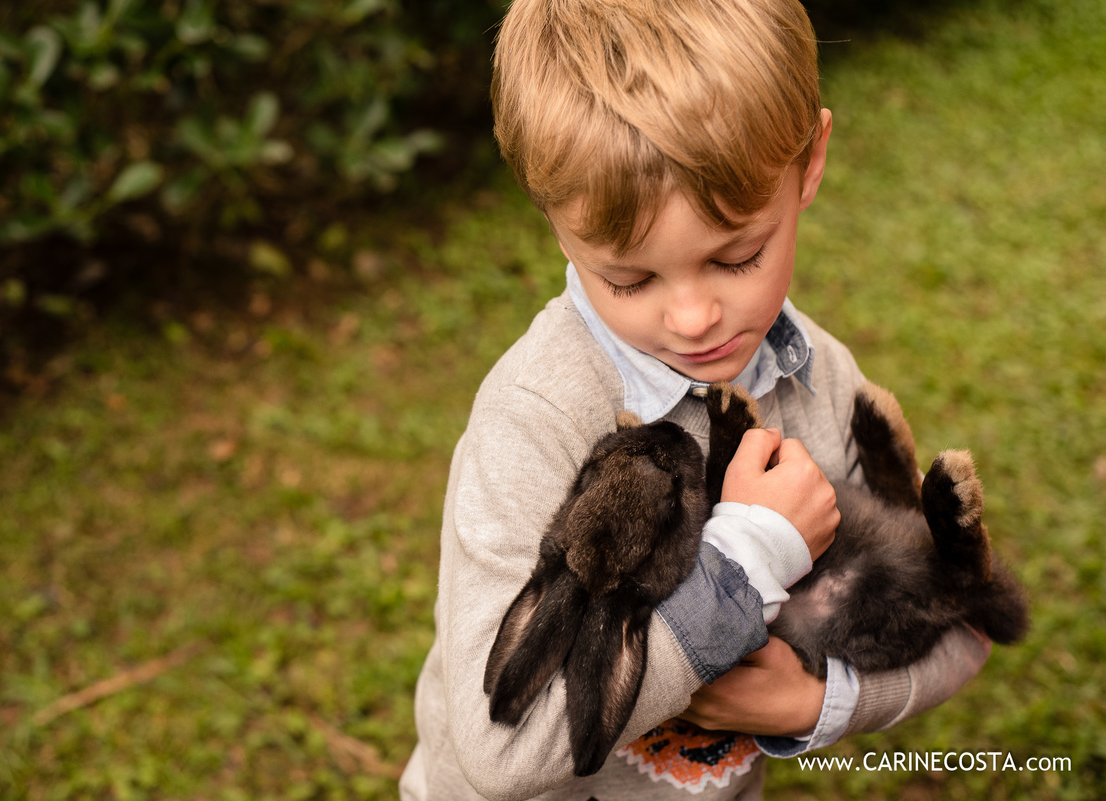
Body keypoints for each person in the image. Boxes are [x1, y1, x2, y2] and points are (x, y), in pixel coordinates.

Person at [400, 0, 991, 798]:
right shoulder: (536, 416)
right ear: (552, 218)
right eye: (630, 277)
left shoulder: (813, 376)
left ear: (810, 161)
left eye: (738, 255)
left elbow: (966, 621)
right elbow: (498, 755)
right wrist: (748, 559)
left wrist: (816, 702)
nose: (692, 318)